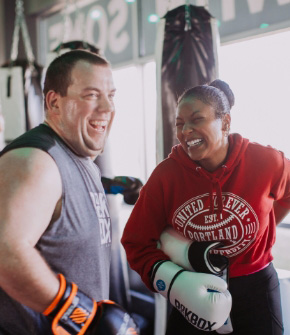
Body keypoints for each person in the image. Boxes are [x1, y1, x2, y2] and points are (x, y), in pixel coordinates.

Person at [121, 79, 290, 334]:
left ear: (225, 122)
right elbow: (135, 242)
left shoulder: (266, 162)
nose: (185, 130)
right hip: (193, 285)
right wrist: (175, 281)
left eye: (196, 119)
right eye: (179, 123)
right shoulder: (166, 176)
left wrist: (262, 226)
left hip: (256, 286)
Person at [0, 50, 139, 335]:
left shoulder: (81, 159)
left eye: (111, 95)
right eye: (91, 95)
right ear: (54, 102)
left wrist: (115, 186)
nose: (107, 108)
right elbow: (5, 250)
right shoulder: (36, 160)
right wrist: (81, 316)